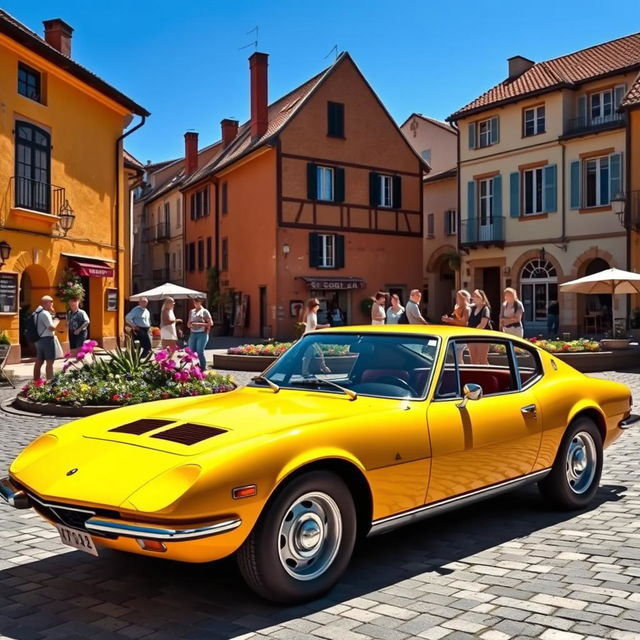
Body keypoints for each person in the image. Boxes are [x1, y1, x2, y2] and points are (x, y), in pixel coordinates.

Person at [33, 295, 59, 380]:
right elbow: (51, 327)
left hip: (38, 339)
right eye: (51, 301)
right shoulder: (45, 313)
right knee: (50, 361)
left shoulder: (36, 313)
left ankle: (36, 381)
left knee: (39, 361)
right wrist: (56, 322)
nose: (52, 303)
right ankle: (50, 381)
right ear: (46, 303)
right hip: (47, 339)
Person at [441, 290, 471, 364]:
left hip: (461, 336)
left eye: (458, 297)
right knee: (454, 357)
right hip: (455, 334)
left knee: (458, 357)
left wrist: (449, 320)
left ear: (463, 298)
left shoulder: (466, 309)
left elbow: (464, 323)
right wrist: (448, 319)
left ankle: (462, 372)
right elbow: (455, 319)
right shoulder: (457, 308)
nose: (457, 299)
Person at [187, 296, 213, 370]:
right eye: (194, 302)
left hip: (202, 333)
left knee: (200, 352)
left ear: (200, 302)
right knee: (192, 351)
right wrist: (189, 325)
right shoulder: (191, 311)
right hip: (193, 333)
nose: (195, 303)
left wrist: (199, 324)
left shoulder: (204, 311)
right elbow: (188, 322)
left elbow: (210, 323)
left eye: (197, 302)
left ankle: (203, 368)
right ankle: (193, 367)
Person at [468, 289, 492, 364]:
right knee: (473, 360)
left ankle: (489, 374)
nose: (474, 298)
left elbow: (483, 324)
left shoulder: (485, 309)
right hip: (472, 337)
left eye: (476, 296)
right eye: (473, 296)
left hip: (482, 337)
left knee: (482, 359)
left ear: (481, 297)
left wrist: (474, 333)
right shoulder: (472, 308)